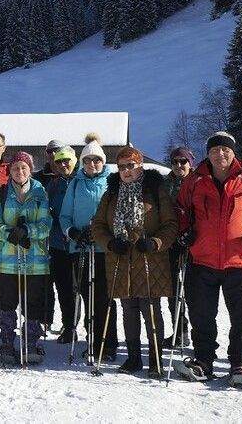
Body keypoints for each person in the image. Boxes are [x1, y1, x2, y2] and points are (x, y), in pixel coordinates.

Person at [174, 132, 242, 388]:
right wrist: (185, 230)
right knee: (201, 315)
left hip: (239, 260)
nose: (221, 154)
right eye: (215, 150)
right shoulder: (195, 180)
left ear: (233, 152)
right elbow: (181, 210)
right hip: (201, 259)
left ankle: (240, 363)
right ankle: (203, 361)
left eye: (225, 150)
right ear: (207, 153)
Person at [90, 146, 177, 377]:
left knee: (150, 308)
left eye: (131, 165)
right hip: (120, 258)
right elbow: (98, 225)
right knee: (128, 309)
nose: (126, 171)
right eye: (122, 167)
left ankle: (156, 360)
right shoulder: (111, 193)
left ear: (140, 166)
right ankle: (134, 357)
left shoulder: (155, 190)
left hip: (149, 258)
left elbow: (171, 225)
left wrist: (156, 242)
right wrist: (109, 243)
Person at [0, 152, 51, 365]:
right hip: (7, 259)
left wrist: (28, 231)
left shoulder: (40, 192)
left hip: (34, 259)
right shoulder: (1, 193)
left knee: (32, 302)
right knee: (7, 301)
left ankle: (31, 341)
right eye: (15, 168)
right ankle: (6, 341)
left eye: (24, 167)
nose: (20, 172)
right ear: (10, 171)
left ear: (30, 169)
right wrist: (10, 233)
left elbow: (45, 224)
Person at [60, 135, 117, 361]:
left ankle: (108, 343)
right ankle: (92, 340)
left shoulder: (112, 182)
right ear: (82, 162)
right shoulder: (75, 184)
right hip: (81, 247)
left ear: (103, 161)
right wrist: (73, 232)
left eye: (97, 160)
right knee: (87, 295)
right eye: (88, 160)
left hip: (105, 249)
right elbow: (65, 216)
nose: (92, 164)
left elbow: (118, 215)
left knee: (105, 297)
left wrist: (106, 233)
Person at [41, 142, 77, 339]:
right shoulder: (53, 185)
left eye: (67, 161)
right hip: (58, 242)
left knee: (79, 287)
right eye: (59, 162)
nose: (63, 165)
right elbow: (46, 210)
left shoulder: (80, 181)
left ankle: (86, 327)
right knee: (63, 286)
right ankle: (69, 326)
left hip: (79, 242)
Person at [162, 146, 194, 348]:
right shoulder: (165, 185)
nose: (179, 165)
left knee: (193, 290)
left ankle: (196, 333)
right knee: (173, 290)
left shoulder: (198, 182)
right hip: (171, 243)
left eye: (183, 161)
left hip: (194, 242)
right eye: (175, 162)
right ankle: (179, 331)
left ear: (190, 163)